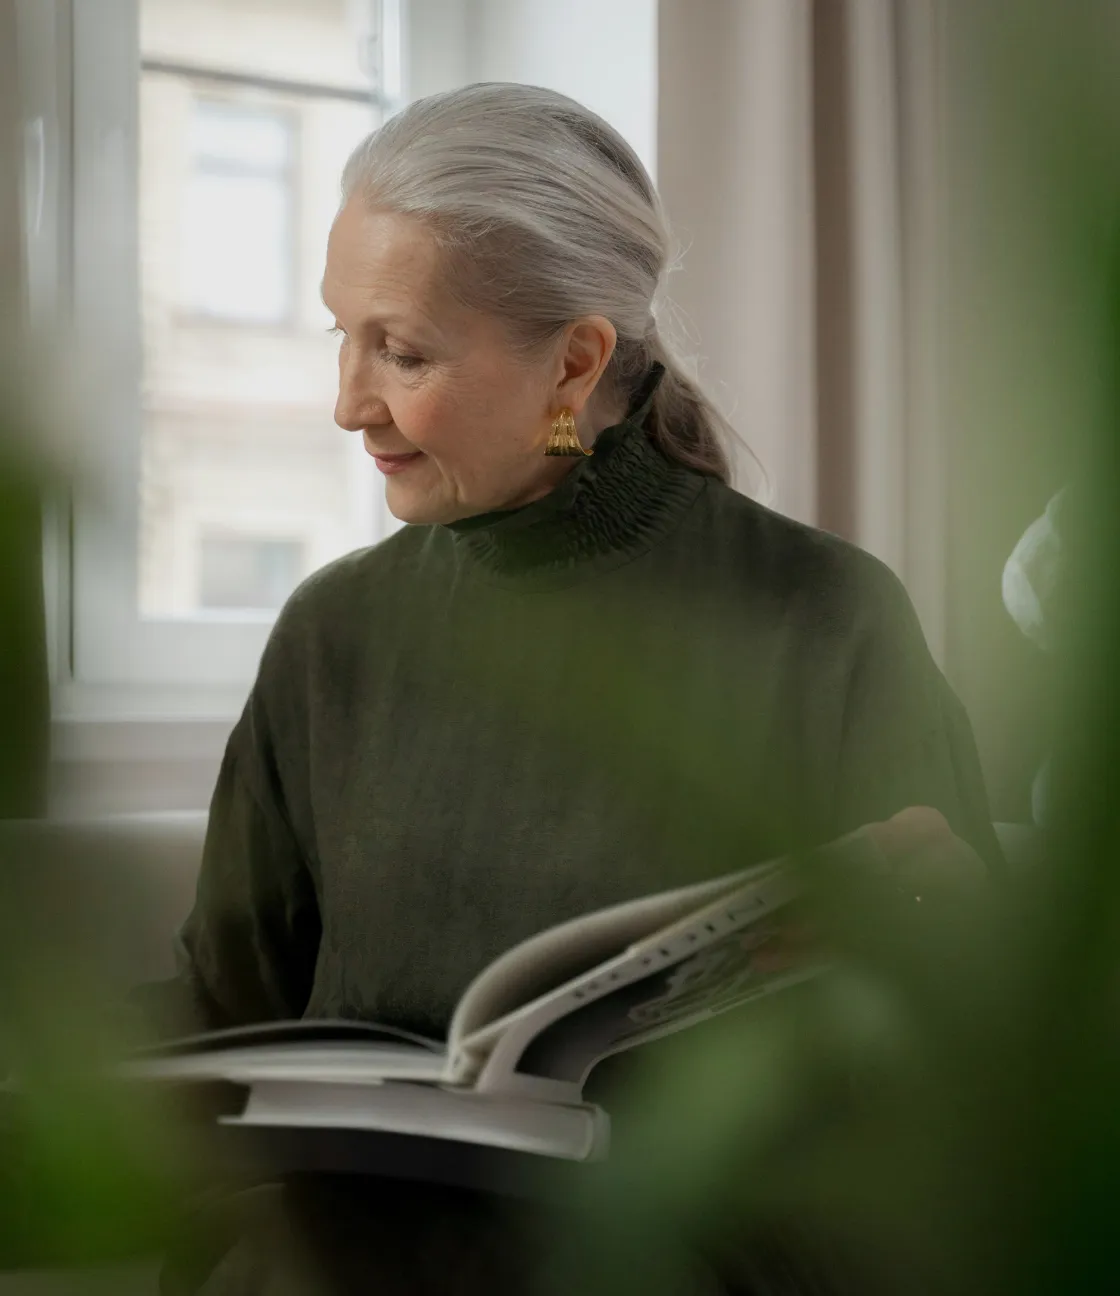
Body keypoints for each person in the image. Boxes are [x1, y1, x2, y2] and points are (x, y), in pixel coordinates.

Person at [156, 82, 999, 1295]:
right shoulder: (332, 634)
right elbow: (222, 1012)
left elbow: (962, 1073)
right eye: (341, 336)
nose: (348, 404)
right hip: (349, 1260)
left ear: (575, 362)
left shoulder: (825, 617)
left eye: (401, 352)